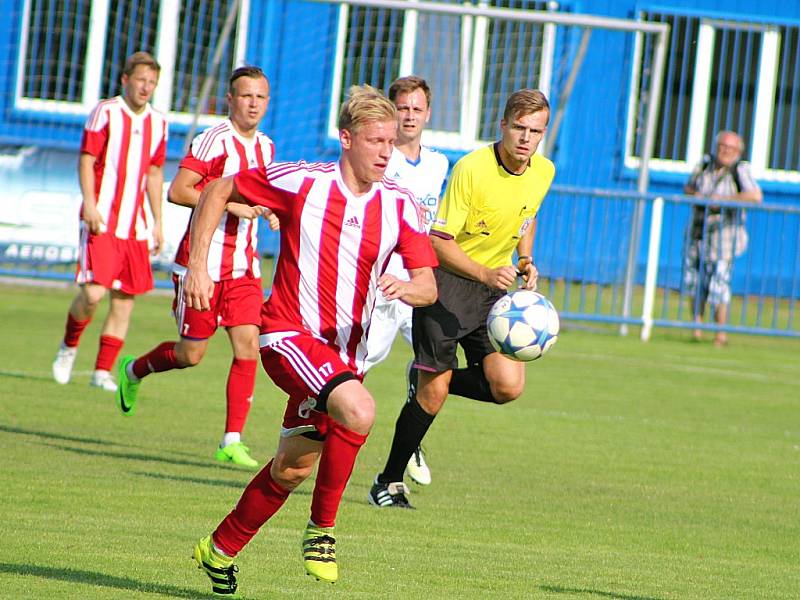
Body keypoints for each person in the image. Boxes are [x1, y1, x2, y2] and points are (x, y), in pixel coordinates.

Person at [184, 84, 438, 595]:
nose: (387, 152)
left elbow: (428, 285)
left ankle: (219, 547)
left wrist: (408, 287)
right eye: (376, 141)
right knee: (361, 410)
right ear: (346, 139)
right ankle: (323, 530)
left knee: (292, 468)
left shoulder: (400, 204)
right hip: (285, 332)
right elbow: (217, 189)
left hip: (344, 354)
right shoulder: (302, 181)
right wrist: (197, 263)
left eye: (392, 142)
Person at [369, 89, 555, 509]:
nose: (526, 138)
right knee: (432, 397)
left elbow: (529, 215)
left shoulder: (543, 171)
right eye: (519, 128)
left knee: (508, 386)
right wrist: (488, 271)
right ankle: (388, 480)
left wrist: (524, 259)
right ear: (503, 126)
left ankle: (426, 381)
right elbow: (437, 243)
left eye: (535, 131)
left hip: (492, 294)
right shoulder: (472, 169)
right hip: (446, 286)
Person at [114, 66, 277, 468]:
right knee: (191, 355)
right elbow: (179, 189)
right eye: (246, 96)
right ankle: (134, 369)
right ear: (231, 100)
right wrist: (230, 203)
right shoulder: (214, 141)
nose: (253, 104)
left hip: (243, 269)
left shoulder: (268, 148)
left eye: (260, 97)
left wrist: (273, 212)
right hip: (200, 265)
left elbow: (264, 195)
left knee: (248, 346)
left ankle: (231, 440)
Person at [51, 51, 167, 392]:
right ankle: (68, 348)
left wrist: (158, 221)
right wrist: (89, 202)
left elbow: (155, 172)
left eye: (152, 83)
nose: (146, 88)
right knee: (93, 293)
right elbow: (87, 159)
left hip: (136, 225)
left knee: (125, 299)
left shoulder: (158, 122)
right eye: (141, 80)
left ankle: (102, 371)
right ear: (125, 80)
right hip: (103, 217)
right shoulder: (106, 112)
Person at [363, 75, 449, 486]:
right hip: (382, 284)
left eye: (417, 108)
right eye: (403, 107)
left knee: (432, 365)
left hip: (419, 284)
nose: (410, 115)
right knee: (359, 362)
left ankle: (411, 437)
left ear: (428, 113)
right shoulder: (380, 158)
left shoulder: (437, 163)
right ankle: (322, 425)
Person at [683, 130, 762, 347]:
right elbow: (688, 188)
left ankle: (720, 333)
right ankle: (696, 330)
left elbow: (755, 195)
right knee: (695, 282)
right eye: (721, 146)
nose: (724, 151)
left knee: (719, 283)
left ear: (738, 151)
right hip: (698, 231)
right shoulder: (704, 165)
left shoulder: (740, 170)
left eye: (729, 148)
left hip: (725, 235)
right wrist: (697, 196)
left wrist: (725, 200)